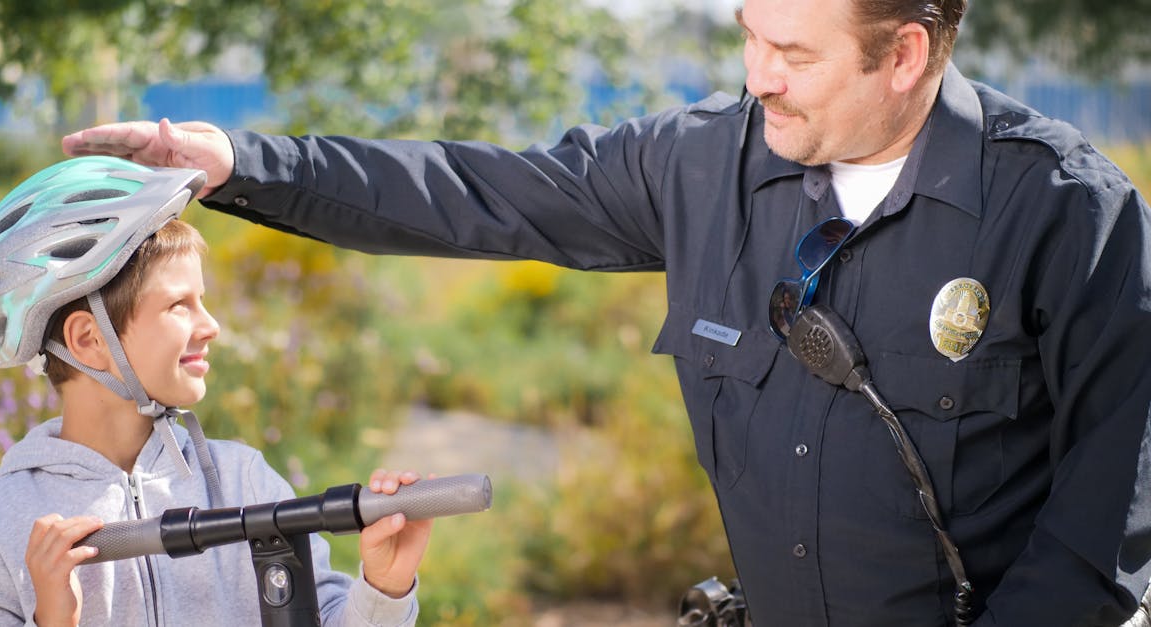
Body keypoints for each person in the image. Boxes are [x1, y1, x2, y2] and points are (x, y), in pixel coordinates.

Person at [61, 0, 1151, 624]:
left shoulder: (1065, 212)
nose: (757, 75)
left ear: (904, 52)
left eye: (795, 53)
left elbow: (1104, 538)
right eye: (747, 35)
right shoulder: (696, 164)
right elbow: (475, 195)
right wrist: (243, 162)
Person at [0, 156, 433, 626]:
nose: (212, 326)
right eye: (180, 305)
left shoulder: (244, 482)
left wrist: (384, 589)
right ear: (89, 339)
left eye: (202, 301)